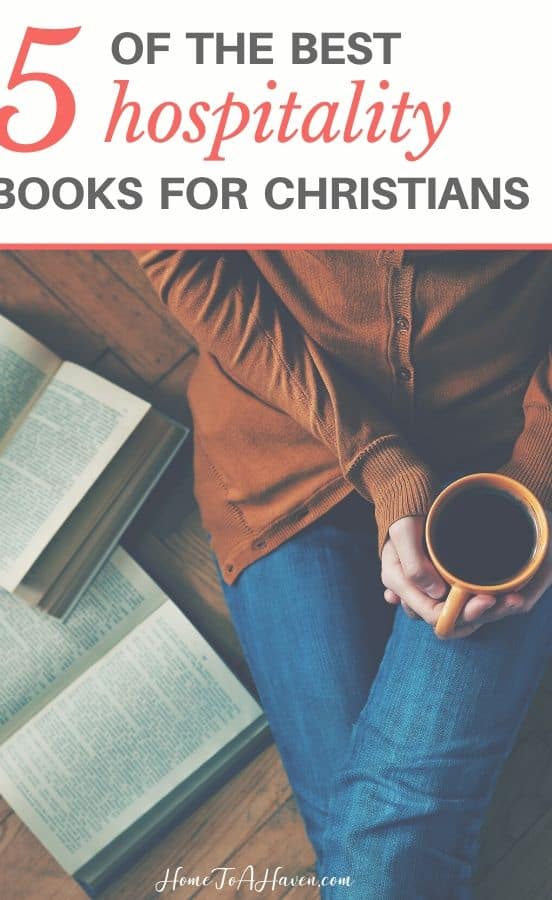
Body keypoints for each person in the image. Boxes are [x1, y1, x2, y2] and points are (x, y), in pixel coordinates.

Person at [138, 249, 552, 899]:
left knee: (375, 846)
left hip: (497, 460)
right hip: (284, 435)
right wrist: (383, 463)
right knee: (378, 849)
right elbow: (185, 259)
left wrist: (538, 477)